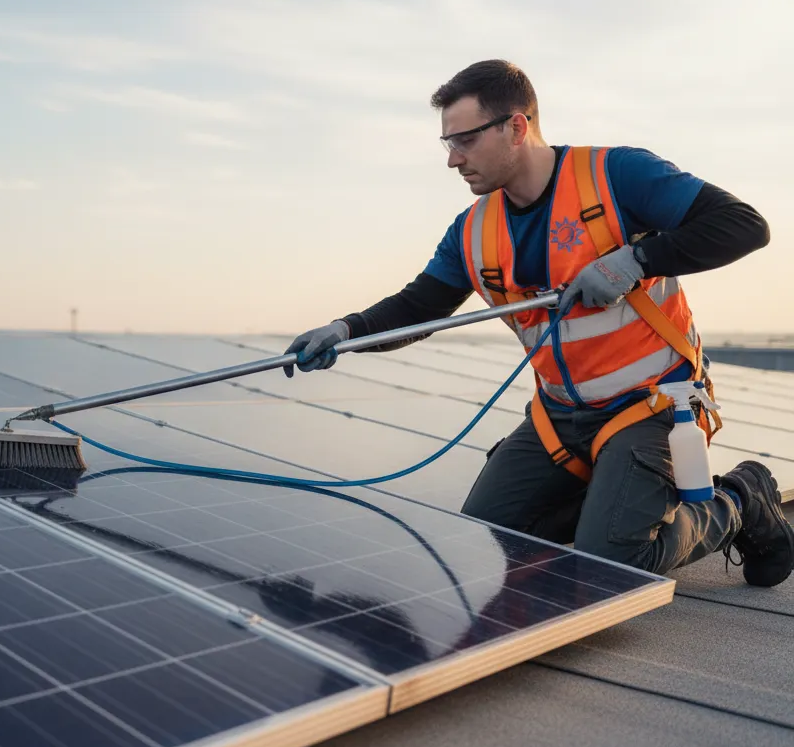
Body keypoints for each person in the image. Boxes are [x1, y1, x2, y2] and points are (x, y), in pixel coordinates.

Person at [283, 59, 792, 586]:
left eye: (465, 141)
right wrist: (343, 332)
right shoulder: (473, 232)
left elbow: (744, 226)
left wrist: (636, 261)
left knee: (609, 568)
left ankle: (741, 496)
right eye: (447, 144)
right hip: (561, 417)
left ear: (517, 127)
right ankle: (613, 505)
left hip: (652, 404)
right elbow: (419, 307)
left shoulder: (615, 176)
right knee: (485, 541)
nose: (453, 160)